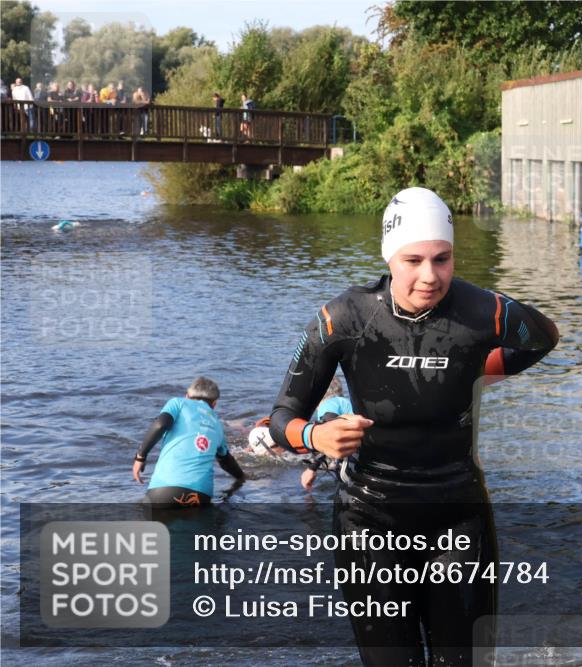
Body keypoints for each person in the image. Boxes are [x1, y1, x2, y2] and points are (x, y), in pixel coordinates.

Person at [269, 187, 559, 667]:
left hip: (457, 514)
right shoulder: (343, 317)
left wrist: (480, 366)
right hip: (369, 518)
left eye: (442, 259)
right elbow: (282, 416)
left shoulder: (480, 309)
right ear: (389, 257)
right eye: (414, 260)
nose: (430, 276)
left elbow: (543, 336)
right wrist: (315, 436)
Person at [133, 376, 245, 507]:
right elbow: (226, 461)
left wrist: (141, 456)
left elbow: (160, 425)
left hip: (163, 490)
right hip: (200, 494)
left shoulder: (177, 403)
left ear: (186, 396)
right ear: (214, 404)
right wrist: (241, 478)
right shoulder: (217, 424)